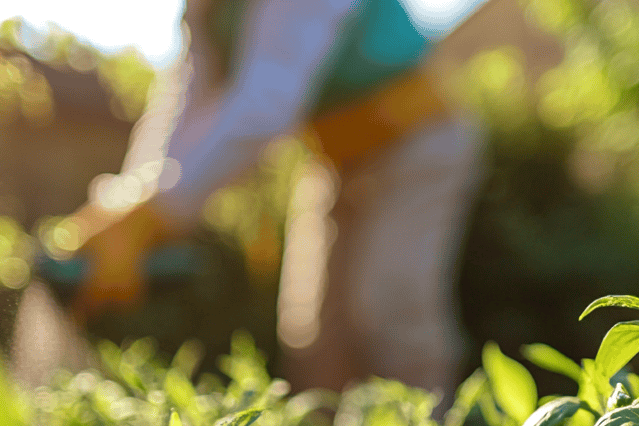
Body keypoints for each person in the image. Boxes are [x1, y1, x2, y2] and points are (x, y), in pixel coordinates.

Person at [51, 0, 484, 399]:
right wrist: (130, 198)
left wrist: (158, 211)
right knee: (313, 336)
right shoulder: (207, 9)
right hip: (335, 162)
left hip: (420, 143)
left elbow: (265, 106)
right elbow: (187, 97)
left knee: (389, 305)